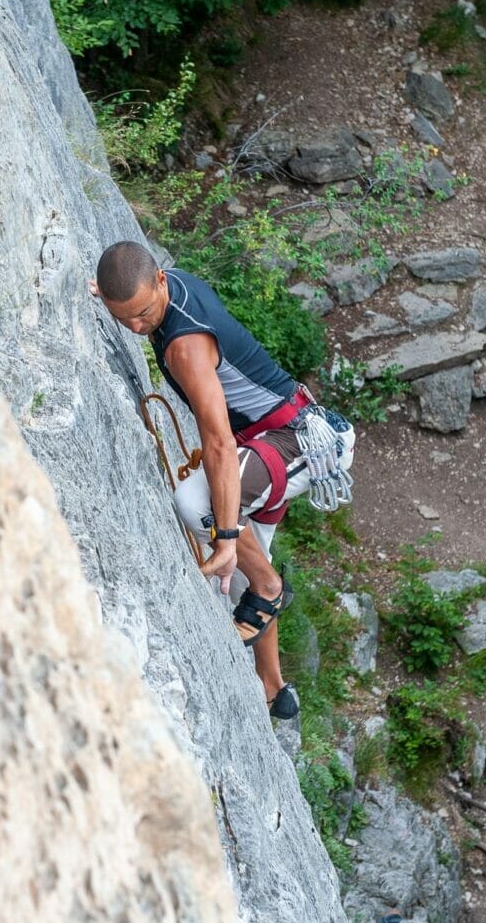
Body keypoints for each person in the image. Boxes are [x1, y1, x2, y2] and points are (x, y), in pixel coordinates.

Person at [93, 240, 354, 719]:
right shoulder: (168, 288)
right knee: (239, 573)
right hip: (266, 441)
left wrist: (228, 534)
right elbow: (133, 295)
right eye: (122, 317)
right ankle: (275, 689)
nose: (135, 327)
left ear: (160, 283)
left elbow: (217, 443)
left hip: (297, 441)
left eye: (143, 314)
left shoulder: (185, 347)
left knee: (200, 506)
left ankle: (271, 588)